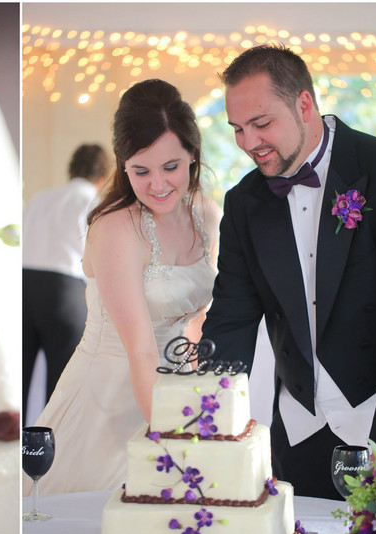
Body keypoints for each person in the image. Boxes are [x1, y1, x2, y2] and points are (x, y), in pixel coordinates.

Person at [202, 44, 376, 500]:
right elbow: (232, 321)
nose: (248, 142)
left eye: (261, 123)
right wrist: (208, 423)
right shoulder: (244, 203)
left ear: (304, 103)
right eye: (238, 129)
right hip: (298, 437)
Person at [29, 79, 222, 495]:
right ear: (121, 164)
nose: (157, 184)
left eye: (170, 166)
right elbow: (141, 348)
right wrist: (173, 445)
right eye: (140, 170)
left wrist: (199, 403)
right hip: (105, 399)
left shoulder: (207, 215)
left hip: (175, 390)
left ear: (192, 153)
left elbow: (195, 324)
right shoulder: (115, 228)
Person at [22, 144, 110, 426]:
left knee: (20, 377)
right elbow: (95, 261)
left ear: (71, 168)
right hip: (64, 292)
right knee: (62, 384)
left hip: (23, 288)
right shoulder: (94, 203)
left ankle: (14, 455)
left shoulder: (40, 197)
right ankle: (51, 456)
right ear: (104, 174)